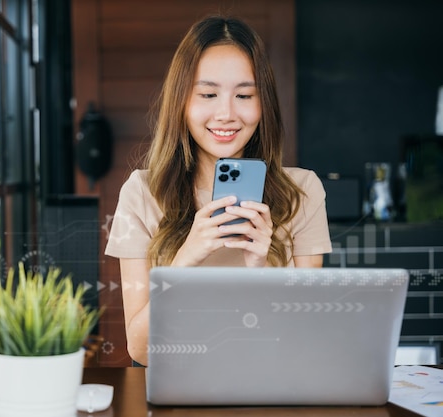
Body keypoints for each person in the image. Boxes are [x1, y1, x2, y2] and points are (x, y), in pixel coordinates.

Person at [104, 15, 332, 366]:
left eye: (244, 94)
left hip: (270, 384)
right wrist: (185, 260)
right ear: (181, 102)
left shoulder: (303, 191)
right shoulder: (141, 192)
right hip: (175, 389)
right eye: (208, 94)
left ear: (263, 104)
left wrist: (260, 268)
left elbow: (303, 341)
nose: (225, 113)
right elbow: (140, 350)